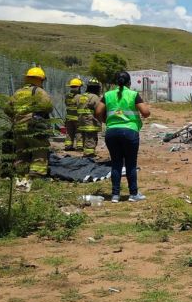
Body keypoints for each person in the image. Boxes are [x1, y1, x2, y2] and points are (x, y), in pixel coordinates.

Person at [95, 71, 150, 203]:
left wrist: (106, 121)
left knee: (116, 163)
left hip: (112, 132)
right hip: (130, 131)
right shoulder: (133, 94)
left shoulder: (107, 95)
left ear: (115, 82)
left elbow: (97, 112)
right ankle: (133, 194)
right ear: (129, 83)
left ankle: (115, 195)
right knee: (130, 164)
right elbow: (146, 113)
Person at [5, 66, 53, 187]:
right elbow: (47, 107)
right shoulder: (38, 91)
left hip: (18, 127)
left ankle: (21, 176)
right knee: (39, 149)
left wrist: (17, 117)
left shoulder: (18, 92)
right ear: (40, 79)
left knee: (21, 151)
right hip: (33, 126)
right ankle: (36, 177)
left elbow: (7, 109)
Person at [77, 77, 102, 158]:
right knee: (91, 138)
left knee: (85, 138)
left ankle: (86, 153)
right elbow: (98, 109)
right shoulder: (94, 97)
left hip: (81, 121)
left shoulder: (82, 96)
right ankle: (89, 155)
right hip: (90, 121)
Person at [64, 77, 83, 151]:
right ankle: (79, 147)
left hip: (69, 118)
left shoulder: (67, 96)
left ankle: (68, 146)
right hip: (77, 118)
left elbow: (66, 104)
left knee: (69, 132)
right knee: (79, 132)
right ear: (78, 87)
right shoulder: (79, 97)